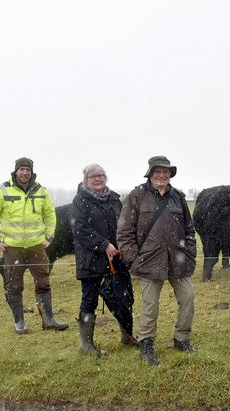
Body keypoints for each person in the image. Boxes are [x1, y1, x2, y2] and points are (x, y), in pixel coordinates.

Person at [116, 156, 197, 365]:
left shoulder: (178, 198)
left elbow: (189, 229)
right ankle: (146, 342)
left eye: (166, 172)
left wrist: (190, 252)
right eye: (158, 171)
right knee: (151, 305)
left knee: (188, 299)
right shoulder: (137, 196)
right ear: (150, 173)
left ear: (170, 175)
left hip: (178, 260)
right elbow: (124, 232)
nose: (162, 175)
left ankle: (181, 338)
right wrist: (134, 259)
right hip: (149, 261)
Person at [0, 157, 68, 334]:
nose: (24, 173)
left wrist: (49, 237)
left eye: (27, 169)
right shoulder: (2, 190)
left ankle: (49, 319)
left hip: (37, 247)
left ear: (32, 172)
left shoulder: (41, 191)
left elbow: (50, 215)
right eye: (21, 169)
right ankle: (19, 322)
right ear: (16, 171)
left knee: (43, 283)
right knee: (14, 286)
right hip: (13, 248)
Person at [69, 164, 134, 355]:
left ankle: (127, 334)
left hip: (116, 258)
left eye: (101, 176)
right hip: (90, 259)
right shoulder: (79, 201)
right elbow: (80, 229)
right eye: (93, 176)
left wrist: (123, 244)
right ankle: (86, 345)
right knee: (89, 299)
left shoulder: (114, 199)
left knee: (125, 296)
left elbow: (124, 224)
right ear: (86, 180)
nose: (98, 179)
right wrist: (104, 244)